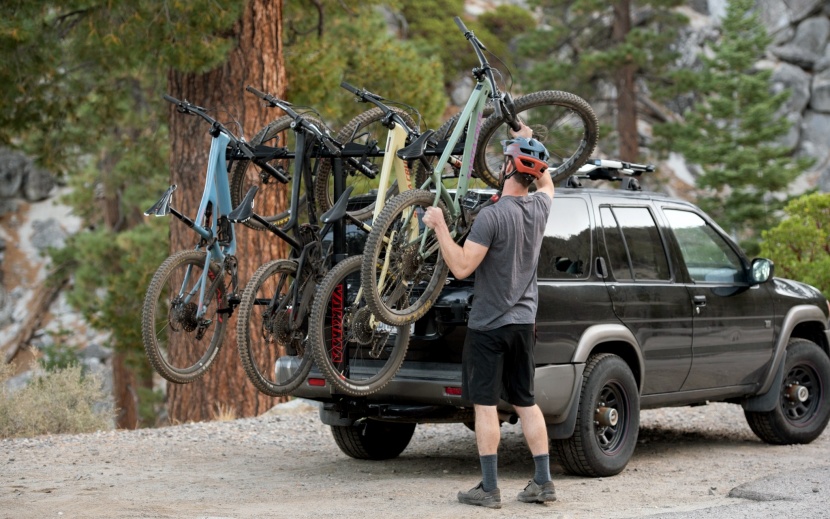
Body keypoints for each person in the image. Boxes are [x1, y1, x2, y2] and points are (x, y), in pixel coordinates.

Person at [422, 122, 556, 509]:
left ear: (508, 168)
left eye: (506, 159)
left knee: (485, 405)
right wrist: (530, 144)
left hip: (488, 326)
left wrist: (441, 227)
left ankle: (489, 488)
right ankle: (542, 482)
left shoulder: (491, 217)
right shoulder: (540, 207)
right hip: (523, 324)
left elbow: (462, 267)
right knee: (525, 401)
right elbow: (547, 182)